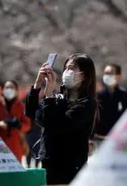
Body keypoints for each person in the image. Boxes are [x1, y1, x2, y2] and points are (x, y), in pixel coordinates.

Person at [25, 54, 98, 185]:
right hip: (49, 164)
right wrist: (37, 85)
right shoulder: (58, 98)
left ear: (85, 75)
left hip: (69, 169)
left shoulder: (86, 103)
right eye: (66, 68)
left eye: (73, 68)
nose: (67, 71)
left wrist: (49, 96)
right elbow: (32, 113)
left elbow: (57, 124)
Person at [0, 80, 31, 161]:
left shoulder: (21, 106)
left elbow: (27, 125)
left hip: (15, 146)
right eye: (7, 87)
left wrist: (19, 125)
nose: (9, 90)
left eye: (11, 87)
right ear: (3, 90)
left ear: (17, 91)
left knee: (15, 171)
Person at [94, 63, 127, 138]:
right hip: (100, 137)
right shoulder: (98, 96)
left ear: (118, 76)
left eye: (110, 73)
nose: (107, 76)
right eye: (106, 73)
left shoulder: (124, 96)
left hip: (119, 138)